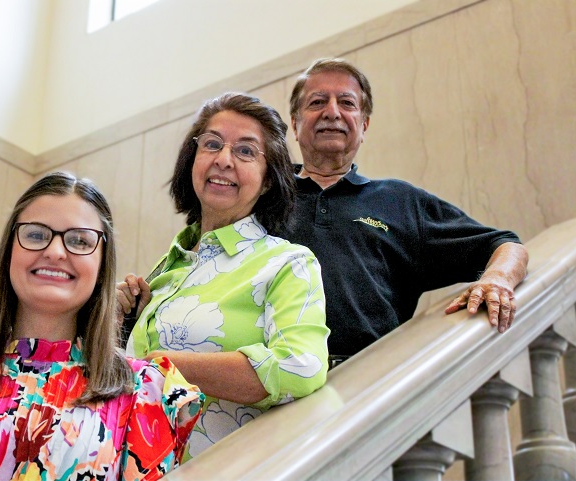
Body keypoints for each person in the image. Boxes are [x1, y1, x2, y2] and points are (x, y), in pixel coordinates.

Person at [0, 172, 203, 481]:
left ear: (102, 265)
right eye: (35, 235)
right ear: (9, 252)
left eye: (79, 240)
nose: (56, 251)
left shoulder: (146, 391)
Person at [117, 92, 330, 460]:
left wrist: (162, 366)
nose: (223, 160)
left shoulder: (287, 262)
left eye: (246, 151)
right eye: (212, 144)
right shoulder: (166, 269)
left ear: (267, 181)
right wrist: (121, 323)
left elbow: (301, 366)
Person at [286, 57, 529, 364]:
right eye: (317, 101)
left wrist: (497, 279)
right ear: (294, 124)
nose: (332, 112)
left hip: (371, 381)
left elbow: (506, 245)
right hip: (275, 386)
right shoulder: (266, 195)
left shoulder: (400, 201)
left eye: (346, 103)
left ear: (363, 125)